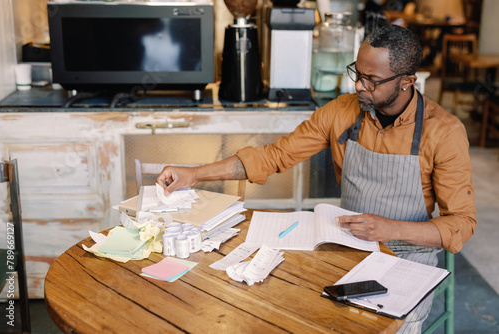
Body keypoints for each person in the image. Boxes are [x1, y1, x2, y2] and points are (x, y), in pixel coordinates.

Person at [157, 25, 476, 333]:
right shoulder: (342, 112)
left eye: (371, 80)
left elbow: (461, 223)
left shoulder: (443, 132)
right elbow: (274, 156)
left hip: (409, 256)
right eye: (357, 73)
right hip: (348, 245)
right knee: (294, 309)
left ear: (407, 81)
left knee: (387, 327)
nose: (359, 87)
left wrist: (388, 228)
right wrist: (195, 174)